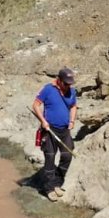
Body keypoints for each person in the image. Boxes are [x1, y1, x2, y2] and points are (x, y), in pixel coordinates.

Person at [32, 67, 78, 202]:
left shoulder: (72, 91)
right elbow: (35, 105)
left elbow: (73, 106)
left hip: (65, 130)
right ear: (59, 80)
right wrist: (43, 121)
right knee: (50, 159)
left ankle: (57, 182)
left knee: (67, 155)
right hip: (49, 130)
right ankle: (49, 188)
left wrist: (72, 121)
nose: (68, 86)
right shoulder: (48, 89)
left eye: (70, 84)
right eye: (66, 83)